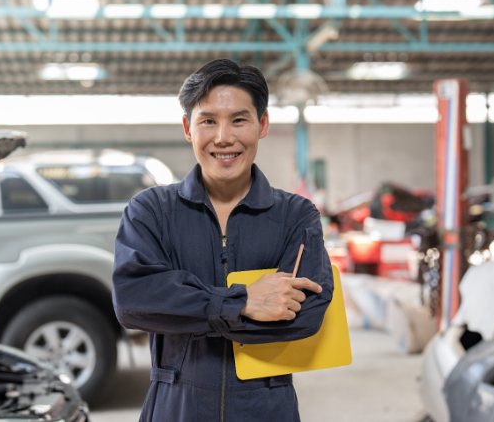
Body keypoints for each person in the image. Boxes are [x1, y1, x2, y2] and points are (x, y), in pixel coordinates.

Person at [112, 58, 334, 422]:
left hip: (266, 407)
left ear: (262, 124)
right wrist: (242, 301)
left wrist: (185, 307)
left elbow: (306, 315)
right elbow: (134, 300)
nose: (223, 138)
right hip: (176, 405)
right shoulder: (151, 211)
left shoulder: (296, 215)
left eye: (239, 120)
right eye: (208, 121)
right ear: (188, 128)